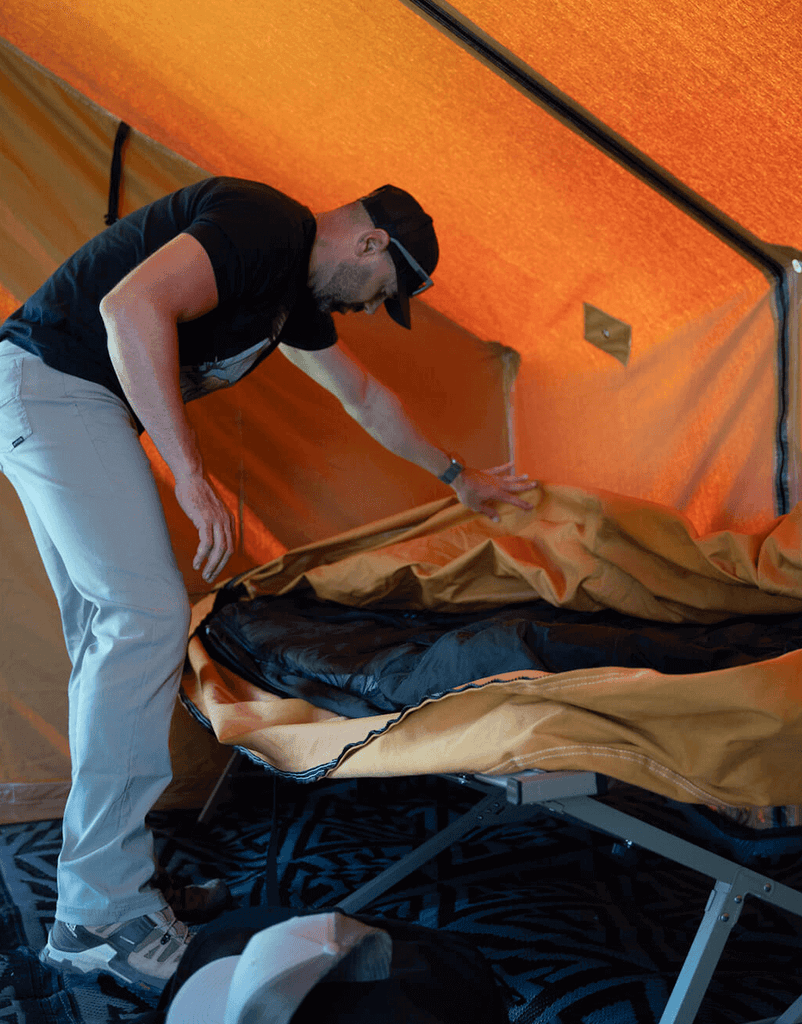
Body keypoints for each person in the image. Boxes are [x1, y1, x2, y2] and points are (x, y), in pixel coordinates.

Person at [0, 176, 535, 994]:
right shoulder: (266, 223)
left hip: (51, 394)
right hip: (56, 386)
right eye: (380, 290)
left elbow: (364, 395)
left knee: (111, 640)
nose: (368, 309)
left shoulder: (292, 297)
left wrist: (459, 476)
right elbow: (129, 308)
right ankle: (101, 916)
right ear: (370, 244)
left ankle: (110, 881)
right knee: (145, 618)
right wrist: (188, 472)